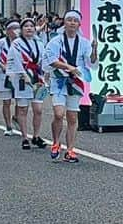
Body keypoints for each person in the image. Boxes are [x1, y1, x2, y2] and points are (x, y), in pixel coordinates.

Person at [47, 9, 96, 162]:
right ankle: (55, 142)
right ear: (65, 22)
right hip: (59, 80)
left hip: (76, 81)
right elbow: (52, 60)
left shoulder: (84, 42)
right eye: (69, 20)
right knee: (59, 114)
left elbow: (91, 62)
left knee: (73, 117)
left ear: (79, 24)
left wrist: (95, 49)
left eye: (75, 20)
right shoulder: (56, 41)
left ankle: (70, 150)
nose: (72, 23)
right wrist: (68, 67)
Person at [8, 17, 49, 150]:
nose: (29, 28)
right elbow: (14, 60)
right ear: (21, 29)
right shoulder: (16, 44)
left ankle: (36, 136)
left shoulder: (39, 43)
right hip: (22, 78)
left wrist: (46, 74)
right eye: (26, 26)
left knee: (38, 109)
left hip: (37, 77)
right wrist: (23, 74)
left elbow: (44, 60)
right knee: (23, 109)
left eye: (31, 26)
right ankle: (25, 137)